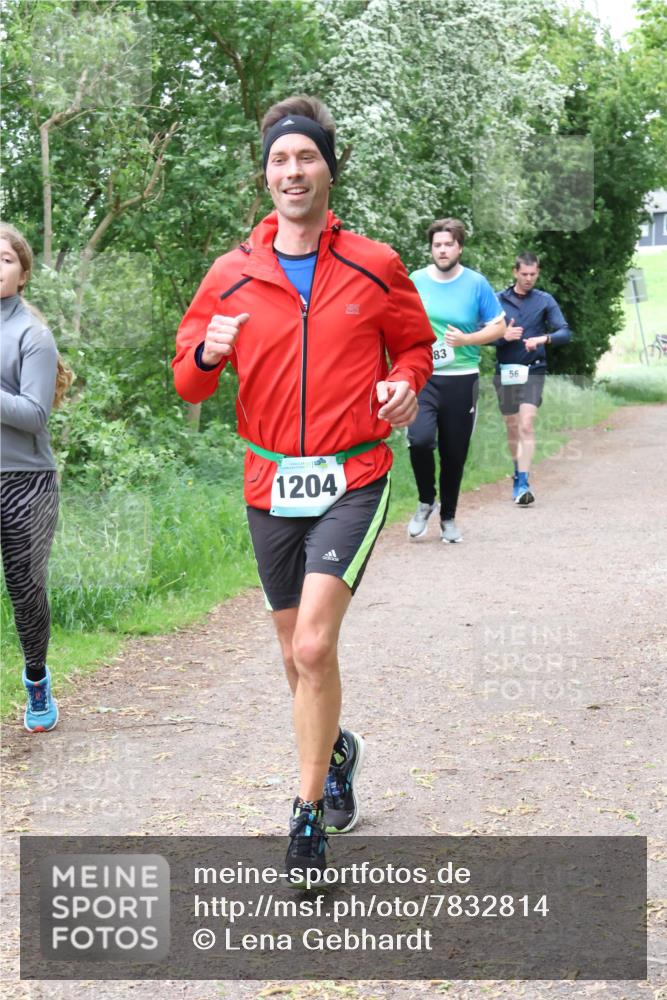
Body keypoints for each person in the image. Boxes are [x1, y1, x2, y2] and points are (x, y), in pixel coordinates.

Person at [172, 95, 434, 879]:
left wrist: (404, 385)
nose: (293, 171)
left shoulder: (375, 263)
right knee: (296, 658)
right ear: (266, 176)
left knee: (315, 644)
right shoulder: (230, 275)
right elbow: (187, 384)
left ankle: (306, 816)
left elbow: (413, 348)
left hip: (353, 474)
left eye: (306, 157)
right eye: (280, 160)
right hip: (268, 479)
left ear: (328, 168)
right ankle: (338, 749)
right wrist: (210, 354)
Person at [0, 223, 73, 732]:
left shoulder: (33, 334)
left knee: (25, 589)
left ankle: (36, 677)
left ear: (23, 274)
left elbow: (33, 414)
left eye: (5, 259)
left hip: (26, 482)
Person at [407, 219, 506, 543]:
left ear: (459, 247)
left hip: (462, 379)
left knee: (454, 453)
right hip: (424, 377)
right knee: (419, 440)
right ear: (431, 248)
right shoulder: (416, 280)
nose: (443, 249)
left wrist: (467, 340)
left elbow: (499, 327)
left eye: (448, 244)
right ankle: (426, 500)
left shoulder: (476, 284)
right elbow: (399, 321)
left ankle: (448, 517)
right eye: (437, 245)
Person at [493, 252, 572, 504]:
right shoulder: (498, 300)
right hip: (506, 370)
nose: (528, 279)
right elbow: (478, 333)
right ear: (515, 272)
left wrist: (543, 338)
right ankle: (517, 475)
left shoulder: (544, 300)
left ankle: (524, 482)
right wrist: (503, 336)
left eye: (533, 274)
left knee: (526, 423)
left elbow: (565, 332)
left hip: (533, 369)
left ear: (538, 273)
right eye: (524, 274)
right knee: (512, 425)